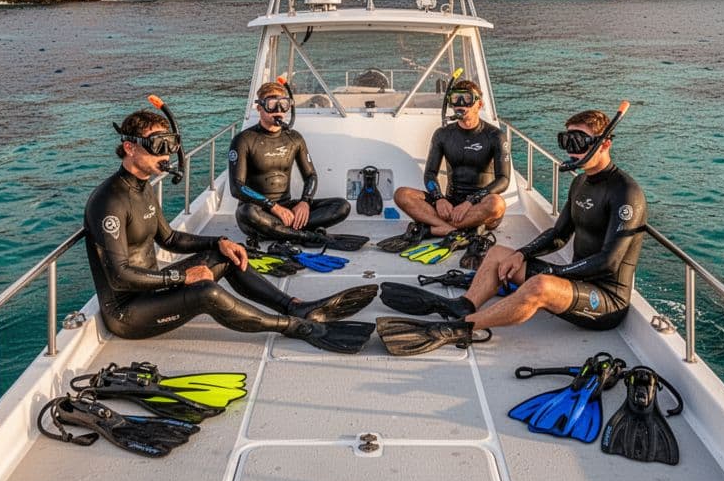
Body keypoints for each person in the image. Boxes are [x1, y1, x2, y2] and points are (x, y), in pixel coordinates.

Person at [83, 107, 377, 353]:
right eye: (156, 146)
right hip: (128, 312)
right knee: (205, 291)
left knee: (225, 254)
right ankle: (293, 326)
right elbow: (120, 277)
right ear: (130, 147)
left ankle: (293, 306)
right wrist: (183, 276)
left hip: (154, 287)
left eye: (169, 145)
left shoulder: (143, 188)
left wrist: (220, 241)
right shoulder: (109, 201)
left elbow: (170, 238)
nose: (166, 155)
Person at [375, 108, 646, 354]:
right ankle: (464, 304)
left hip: (605, 299)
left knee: (540, 285)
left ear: (605, 144)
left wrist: (554, 273)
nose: (572, 151)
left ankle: (463, 326)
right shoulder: (581, 184)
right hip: (575, 280)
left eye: (579, 143)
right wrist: (521, 253)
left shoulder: (626, 193)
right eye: (567, 141)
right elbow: (559, 235)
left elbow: (609, 262)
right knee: (498, 254)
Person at [388, 80, 510, 267]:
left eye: (467, 99)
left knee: (497, 204)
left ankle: (431, 229)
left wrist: (471, 201)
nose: (461, 104)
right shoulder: (443, 134)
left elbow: (504, 180)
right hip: (450, 204)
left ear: (479, 104)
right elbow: (430, 173)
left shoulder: (495, 136)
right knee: (402, 194)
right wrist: (438, 198)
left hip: (479, 207)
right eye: (456, 99)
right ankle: (459, 231)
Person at [229, 82, 357, 248]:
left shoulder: (294, 138)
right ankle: (305, 236)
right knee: (246, 213)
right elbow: (236, 187)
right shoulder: (244, 140)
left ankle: (282, 232)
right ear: (259, 108)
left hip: (287, 209)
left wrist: (305, 202)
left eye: (283, 104)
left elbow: (310, 175)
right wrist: (272, 206)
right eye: (271, 105)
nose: (279, 111)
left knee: (341, 206)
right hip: (259, 211)